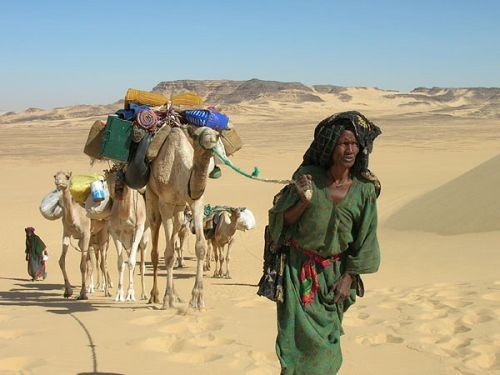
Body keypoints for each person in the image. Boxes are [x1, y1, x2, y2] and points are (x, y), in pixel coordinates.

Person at [268, 111, 382, 374]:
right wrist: (304, 201)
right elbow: (280, 222)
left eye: (354, 144)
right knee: (294, 349)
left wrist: (348, 278)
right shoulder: (308, 178)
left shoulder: (364, 191)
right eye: (343, 143)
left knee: (328, 352)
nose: (350, 149)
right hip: (298, 275)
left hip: (334, 278)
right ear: (331, 146)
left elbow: (365, 240)